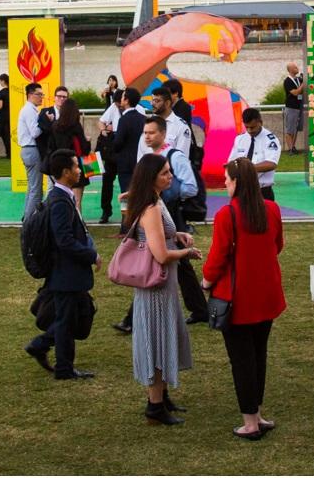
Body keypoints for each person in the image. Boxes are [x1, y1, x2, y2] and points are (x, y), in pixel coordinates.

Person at [201, 158, 285, 440]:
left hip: (237, 298)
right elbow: (277, 245)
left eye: (227, 180)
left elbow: (218, 256)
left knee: (242, 360)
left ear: (236, 182)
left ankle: (250, 421)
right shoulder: (271, 209)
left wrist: (206, 281)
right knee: (258, 355)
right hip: (266, 294)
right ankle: (256, 413)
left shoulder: (228, 215)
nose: (225, 184)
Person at [123, 152, 199, 425]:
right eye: (165, 172)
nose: (170, 176)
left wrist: (176, 235)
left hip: (162, 286)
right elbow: (161, 254)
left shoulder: (155, 201)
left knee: (163, 338)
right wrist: (187, 253)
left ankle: (161, 397)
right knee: (156, 342)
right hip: (156, 286)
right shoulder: (151, 208)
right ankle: (155, 405)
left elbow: (160, 236)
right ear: (151, 178)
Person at [115, 116, 208, 334]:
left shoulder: (175, 157)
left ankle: (132, 318)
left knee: (159, 259)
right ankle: (200, 309)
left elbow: (191, 187)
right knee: (176, 264)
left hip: (170, 213)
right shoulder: (149, 158)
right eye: (145, 133)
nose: (147, 137)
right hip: (157, 210)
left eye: (152, 132)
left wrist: (166, 194)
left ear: (164, 134)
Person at [26, 150, 99, 381]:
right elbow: (64, 240)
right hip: (66, 273)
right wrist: (91, 255)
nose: (80, 170)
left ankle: (43, 348)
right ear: (66, 172)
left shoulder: (62, 197)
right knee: (67, 320)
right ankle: (62, 366)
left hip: (67, 273)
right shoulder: (60, 201)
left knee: (73, 316)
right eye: (76, 166)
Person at [102, 87, 145, 225]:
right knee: (139, 194)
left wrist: (110, 142)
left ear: (126, 100)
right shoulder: (142, 118)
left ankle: (126, 226)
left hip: (125, 163)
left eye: (123, 97)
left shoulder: (124, 119)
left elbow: (118, 143)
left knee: (126, 195)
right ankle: (139, 223)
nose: (121, 99)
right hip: (139, 161)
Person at [226, 107, 281, 202]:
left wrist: (247, 168)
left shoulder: (270, 140)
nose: (249, 131)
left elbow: (271, 164)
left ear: (260, 122)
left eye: (252, 127)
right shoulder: (240, 139)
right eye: (246, 127)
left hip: (262, 191)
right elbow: (231, 162)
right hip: (241, 190)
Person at [47, 97, 90, 206]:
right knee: (77, 201)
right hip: (75, 164)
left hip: (60, 165)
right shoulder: (76, 126)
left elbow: (51, 146)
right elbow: (85, 149)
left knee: (61, 198)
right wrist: (88, 141)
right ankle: (76, 217)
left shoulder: (55, 126)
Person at [16, 82, 48, 220]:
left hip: (28, 150)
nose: (41, 97)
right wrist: (46, 122)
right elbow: (35, 132)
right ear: (30, 95)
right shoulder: (29, 110)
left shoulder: (29, 109)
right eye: (39, 94)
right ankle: (29, 221)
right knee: (36, 190)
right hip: (32, 150)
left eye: (42, 94)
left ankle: (27, 217)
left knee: (31, 188)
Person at [280, 61, 305, 155]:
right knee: (289, 129)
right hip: (291, 107)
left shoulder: (299, 79)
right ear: (290, 70)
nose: (297, 68)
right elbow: (295, 93)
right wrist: (303, 84)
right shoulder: (287, 81)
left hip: (299, 107)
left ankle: (293, 147)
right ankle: (290, 149)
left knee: (296, 129)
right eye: (295, 67)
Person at [0, 73, 12, 157]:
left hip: (4, 117)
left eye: (0, 81)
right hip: (12, 116)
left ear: (3, 81)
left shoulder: (1, 93)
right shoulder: (12, 91)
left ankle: (9, 153)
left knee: (5, 136)